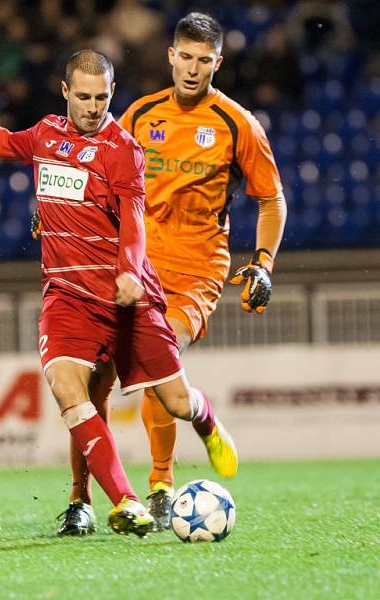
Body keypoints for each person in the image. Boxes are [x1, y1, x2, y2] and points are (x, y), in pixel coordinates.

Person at [0, 50, 237, 538]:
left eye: (102, 97)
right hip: (67, 295)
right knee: (70, 389)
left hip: (126, 297)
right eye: (83, 96)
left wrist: (130, 270)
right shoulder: (46, 134)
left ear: (112, 94)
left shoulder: (122, 148)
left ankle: (207, 419)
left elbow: (133, 222)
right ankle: (126, 500)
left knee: (173, 401)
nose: (92, 106)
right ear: (65, 91)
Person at [109, 11, 286, 532]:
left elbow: (271, 200)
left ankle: (161, 482)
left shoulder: (237, 124)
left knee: (159, 359)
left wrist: (264, 264)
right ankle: (190, 439)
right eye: (184, 57)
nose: (191, 69)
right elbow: (102, 171)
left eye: (203, 60)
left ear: (218, 62)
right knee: (154, 377)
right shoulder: (140, 115)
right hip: (141, 265)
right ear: (170, 55)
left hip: (198, 269)